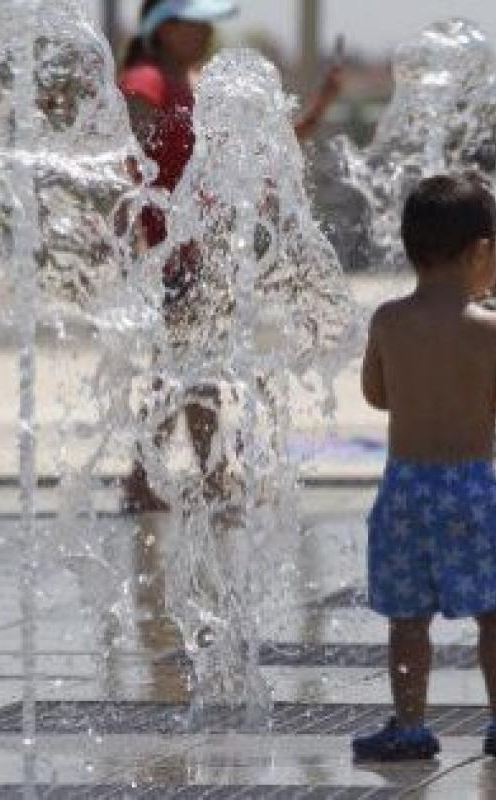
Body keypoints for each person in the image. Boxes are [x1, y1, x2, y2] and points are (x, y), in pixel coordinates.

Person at [351, 174, 496, 761]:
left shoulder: (388, 321)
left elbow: (376, 393)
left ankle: (409, 726)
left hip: (403, 488)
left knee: (407, 617)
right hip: (469, 485)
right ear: (481, 250)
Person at [118, 0, 344, 512]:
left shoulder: (198, 83)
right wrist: (133, 238)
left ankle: (173, 476)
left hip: (202, 250)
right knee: (186, 368)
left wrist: (320, 106)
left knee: (186, 367)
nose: (206, 33)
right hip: (169, 252)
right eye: (195, 23)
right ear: (164, 28)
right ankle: (193, 477)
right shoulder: (147, 82)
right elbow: (125, 161)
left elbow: (267, 147)